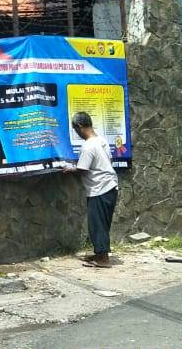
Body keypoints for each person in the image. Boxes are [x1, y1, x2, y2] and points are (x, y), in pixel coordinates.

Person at [64, 111, 119, 268]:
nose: (77, 133)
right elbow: (109, 160)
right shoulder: (101, 140)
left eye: (76, 129)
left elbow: (82, 169)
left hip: (99, 188)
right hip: (110, 185)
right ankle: (99, 253)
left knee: (97, 224)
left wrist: (69, 169)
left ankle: (103, 259)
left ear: (80, 126)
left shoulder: (88, 146)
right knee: (102, 222)